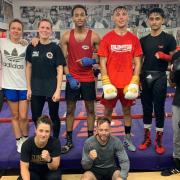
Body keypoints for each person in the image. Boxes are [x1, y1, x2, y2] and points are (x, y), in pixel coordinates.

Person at [98, 6, 142, 152]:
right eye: (118, 14)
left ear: (127, 17)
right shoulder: (107, 38)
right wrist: (105, 81)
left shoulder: (134, 39)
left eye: (124, 14)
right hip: (111, 82)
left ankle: (127, 139)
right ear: (113, 18)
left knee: (127, 112)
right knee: (107, 113)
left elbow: (137, 62)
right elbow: (102, 62)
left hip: (128, 84)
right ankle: (105, 140)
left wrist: (135, 80)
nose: (121, 17)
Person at [60, 5, 101, 153]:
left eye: (82, 15)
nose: (79, 18)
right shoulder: (66, 36)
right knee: (70, 110)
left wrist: (92, 61)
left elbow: (103, 57)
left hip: (88, 79)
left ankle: (90, 140)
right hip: (73, 79)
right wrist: (69, 76)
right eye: (76, 15)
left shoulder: (94, 36)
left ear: (86, 17)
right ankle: (69, 141)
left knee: (90, 110)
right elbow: (62, 60)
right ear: (73, 18)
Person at [138, 8, 177, 155]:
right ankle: (147, 138)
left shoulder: (169, 39)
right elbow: (139, 61)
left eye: (157, 18)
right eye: (152, 19)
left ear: (163, 20)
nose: (154, 21)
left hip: (160, 76)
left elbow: (175, 59)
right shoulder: (143, 40)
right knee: (146, 108)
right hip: (145, 76)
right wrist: (136, 79)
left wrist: (165, 56)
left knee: (159, 108)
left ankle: (159, 139)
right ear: (148, 20)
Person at [26, 19, 66, 138]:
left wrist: (58, 90)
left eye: (47, 28)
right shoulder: (31, 47)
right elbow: (28, 67)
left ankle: (55, 140)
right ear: (38, 29)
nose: (44, 30)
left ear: (51, 31)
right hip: (36, 88)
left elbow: (60, 70)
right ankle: (41, 137)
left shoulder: (55, 48)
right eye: (42, 27)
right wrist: (28, 88)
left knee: (54, 116)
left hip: (51, 88)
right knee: (35, 116)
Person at [0, 19, 29, 153]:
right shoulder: (2, 42)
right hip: (9, 85)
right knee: (15, 115)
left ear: (22, 31)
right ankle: (19, 141)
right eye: (13, 28)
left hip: (23, 85)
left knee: (24, 116)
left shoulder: (26, 45)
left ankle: (26, 138)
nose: (16, 31)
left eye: (19, 28)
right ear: (9, 30)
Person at [20, 115, 61, 180]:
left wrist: (49, 159)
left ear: (50, 132)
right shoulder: (27, 144)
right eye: (41, 130)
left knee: (54, 178)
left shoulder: (55, 143)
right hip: (33, 172)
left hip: (49, 171)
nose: (43, 135)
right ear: (35, 130)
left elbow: (54, 167)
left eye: (47, 131)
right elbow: (24, 168)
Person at [161, 50, 180, 176]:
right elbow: (172, 83)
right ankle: (178, 164)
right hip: (178, 100)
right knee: (177, 133)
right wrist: (174, 72)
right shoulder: (177, 56)